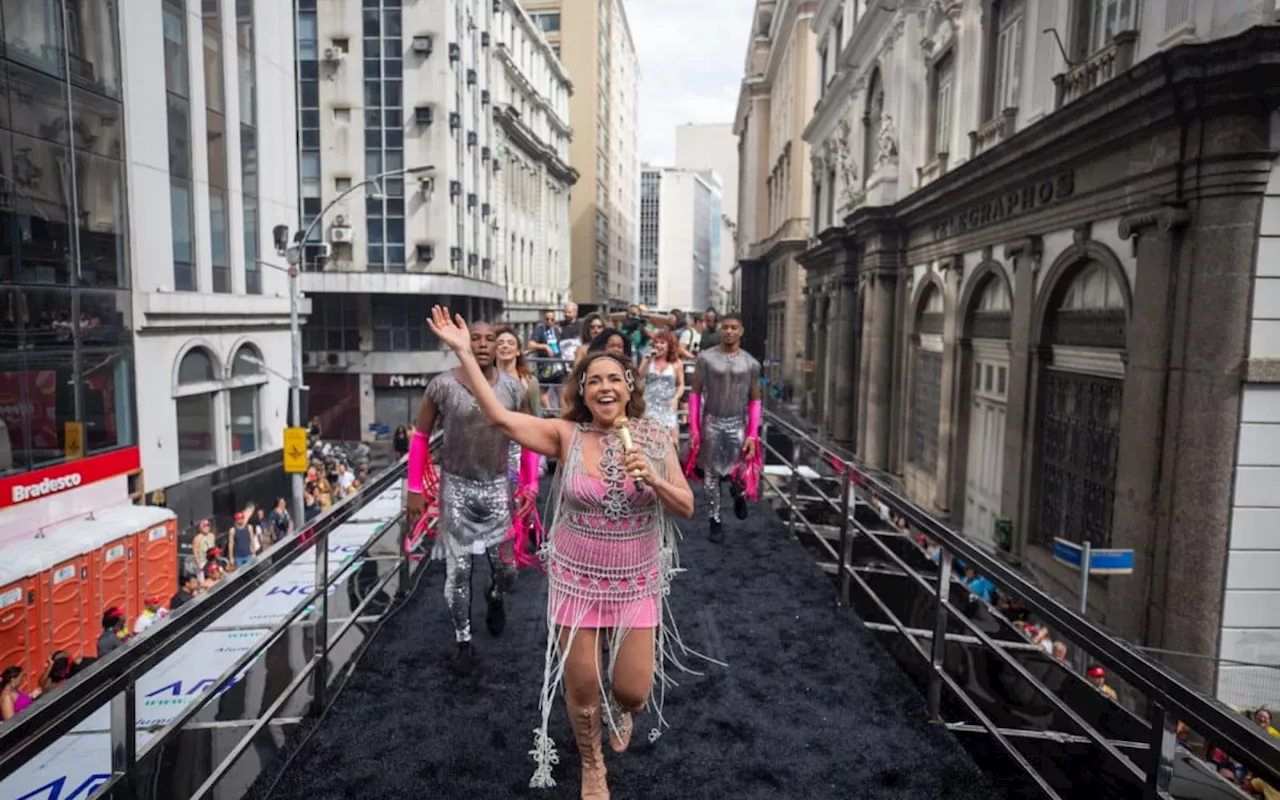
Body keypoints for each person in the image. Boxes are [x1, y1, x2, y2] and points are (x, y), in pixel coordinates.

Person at [426, 304, 714, 798]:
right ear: (582, 392)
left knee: (632, 689)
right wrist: (461, 352)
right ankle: (592, 763)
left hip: (634, 580)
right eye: (594, 380)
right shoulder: (566, 435)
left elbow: (687, 506)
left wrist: (654, 479)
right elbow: (497, 415)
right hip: (577, 578)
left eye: (615, 379)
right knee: (581, 688)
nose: (605, 387)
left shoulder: (655, 438)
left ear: (629, 389)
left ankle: (621, 710)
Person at [404, 319, 540, 673]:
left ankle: (495, 596)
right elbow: (420, 437)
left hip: (498, 489)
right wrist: (414, 489)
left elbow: (527, 436)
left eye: (489, 339)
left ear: (499, 346)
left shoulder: (513, 387)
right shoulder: (442, 385)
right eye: (475, 338)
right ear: (462, 342)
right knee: (459, 570)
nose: (482, 344)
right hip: (456, 489)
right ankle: (463, 640)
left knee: (507, 570)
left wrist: (529, 483)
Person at [684, 313, 763, 542]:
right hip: (712, 422)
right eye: (725, 327)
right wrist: (694, 429)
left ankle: (739, 494)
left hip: (738, 423)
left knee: (739, 471)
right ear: (720, 330)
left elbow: (755, 400)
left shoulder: (751, 363)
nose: (729, 331)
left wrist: (752, 434)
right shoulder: (706, 359)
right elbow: (695, 394)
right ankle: (714, 520)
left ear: (741, 331)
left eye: (733, 328)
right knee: (711, 474)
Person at [639, 329, 683, 442]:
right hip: (649, 406)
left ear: (669, 346)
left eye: (662, 343)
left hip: (668, 407)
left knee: (673, 441)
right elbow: (638, 377)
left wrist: (676, 398)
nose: (658, 345)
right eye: (656, 342)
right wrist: (646, 361)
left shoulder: (677, 363)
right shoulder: (648, 360)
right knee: (649, 441)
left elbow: (681, 384)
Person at [496, 325, 543, 417]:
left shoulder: (530, 382)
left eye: (511, 343)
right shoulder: (484, 380)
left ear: (518, 351)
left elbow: (536, 415)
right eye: (500, 343)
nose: (505, 346)